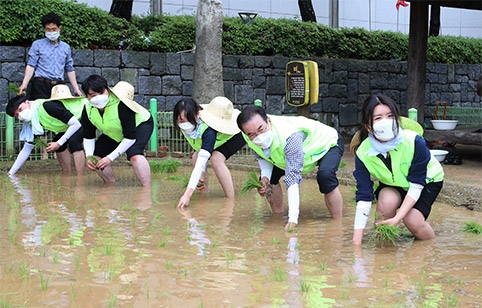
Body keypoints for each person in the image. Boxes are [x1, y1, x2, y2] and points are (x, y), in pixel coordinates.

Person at [351, 94, 444, 245]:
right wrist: (356, 244)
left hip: (426, 181)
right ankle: (383, 248)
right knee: (385, 206)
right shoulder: (363, 152)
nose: (385, 122)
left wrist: (398, 218)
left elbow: (416, 184)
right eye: (378, 118)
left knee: (412, 220)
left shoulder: (414, 142)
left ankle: (428, 248)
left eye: (389, 116)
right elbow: (363, 197)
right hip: (394, 183)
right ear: (368, 126)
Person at [236, 105, 344, 231]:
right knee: (270, 180)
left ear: (268, 121)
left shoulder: (290, 137)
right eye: (252, 134)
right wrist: (265, 176)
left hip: (326, 144)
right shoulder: (247, 135)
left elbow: (292, 177)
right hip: (289, 153)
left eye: (261, 129)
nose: (258, 136)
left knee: (325, 176)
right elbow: (262, 156)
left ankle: (337, 225)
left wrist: (293, 219)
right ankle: (277, 219)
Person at [80, 75, 153, 186]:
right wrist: (89, 156)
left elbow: (130, 138)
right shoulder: (87, 109)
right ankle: (110, 184)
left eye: (102, 93)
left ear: (107, 90)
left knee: (134, 154)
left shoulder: (122, 105)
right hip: (113, 131)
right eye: (94, 95)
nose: (99, 97)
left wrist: (110, 158)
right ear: (87, 97)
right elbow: (88, 136)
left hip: (140, 125)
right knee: (96, 156)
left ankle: (147, 188)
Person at [173, 97, 246, 208]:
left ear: (197, 115)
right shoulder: (188, 127)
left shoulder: (208, 131)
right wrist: (200, 176)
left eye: (188, 119)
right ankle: (203, 194)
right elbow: (199, 154)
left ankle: (231, 201)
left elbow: (202, 162)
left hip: (237, 135)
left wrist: (187, 195)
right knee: (195, 157)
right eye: (181, 120)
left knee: (216, 159)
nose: (184, 123)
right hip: (218, 139)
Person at [5, 85, 86, 175]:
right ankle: (66, 174)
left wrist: (59, 143)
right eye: (17, 115)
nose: (21, 115)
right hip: (72, 123)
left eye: (20, 109)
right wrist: (11, 173)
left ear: (28, 102)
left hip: (85, 115)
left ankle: (80, 177)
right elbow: (26, 149)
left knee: (74, 141)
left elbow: (75, 124)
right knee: (59, 144)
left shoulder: (47, 106)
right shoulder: (33, 123)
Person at [18, 12, 82, 99]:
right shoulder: (37, 44)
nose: (51, 32)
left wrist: (76, 89)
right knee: (40, 110)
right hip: (41, 85)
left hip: (59, 87)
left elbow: (69, 68)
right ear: (44, 29)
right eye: (48, 29)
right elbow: (31, 65)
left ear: (60, 28)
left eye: (54, 29)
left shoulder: (66, 47)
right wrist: (24, 84)